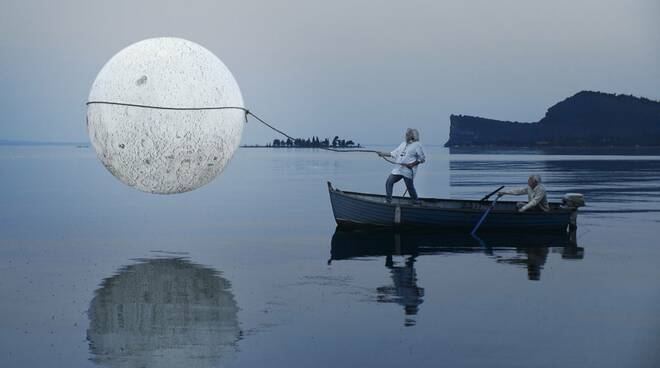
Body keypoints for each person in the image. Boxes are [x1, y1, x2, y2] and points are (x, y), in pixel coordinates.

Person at [378, 128, 426, 203]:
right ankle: (388, 201)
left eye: (407, 134)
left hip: (408, 171)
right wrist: (382, 154)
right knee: (389, 182)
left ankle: (416, 201)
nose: (405, 135)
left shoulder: (417, 145)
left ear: (412, 136)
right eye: (406, 134)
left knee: (410, 187)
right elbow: (392, 153)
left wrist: (412, 164)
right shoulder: (403, 144)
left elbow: (422, 158)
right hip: (398, 170)